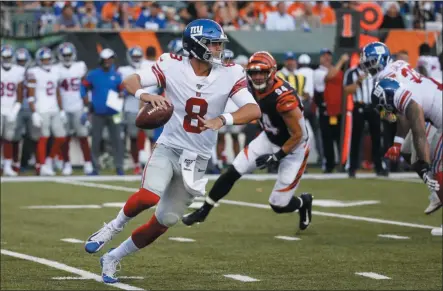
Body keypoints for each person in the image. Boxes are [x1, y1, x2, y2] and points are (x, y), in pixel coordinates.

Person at [83, 19, 261, 283]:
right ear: (196, 45)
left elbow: (253, 109)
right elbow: (130, 80)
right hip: (170, 146)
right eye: (212, 44)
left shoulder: (231, 72)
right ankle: (112, 227)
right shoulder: (171, 64)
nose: (217, 49)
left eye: (218, 44)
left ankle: (113, 257)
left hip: (197, 158)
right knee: (148, 197)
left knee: (165, 220)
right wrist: (145, 95)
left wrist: (221, 120)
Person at [182, 51, 313, 232]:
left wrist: (276, 157)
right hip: (268, 138)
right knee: (234, 170)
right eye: (253, 73)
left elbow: (300, 135)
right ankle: (204, 211)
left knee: (278, 204)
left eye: (262, 72)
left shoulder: (284, 98)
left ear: (272, 71)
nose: (257, 77)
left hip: (294, 148)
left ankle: (303, 202)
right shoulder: (249, 87)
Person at [362, 41, 442, 236]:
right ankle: (436, 191)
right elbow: (405, 109)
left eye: (373, 62)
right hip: (432, 106)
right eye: (367, 64)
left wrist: (424, 162)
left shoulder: (388, 81)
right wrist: (397, 144)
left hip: (437, 115)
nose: (371, 67)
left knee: (436, 167)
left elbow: (415, 120)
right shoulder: (397, 65)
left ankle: (436, 187)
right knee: (407, 151)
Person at [81, 48, 125, 175]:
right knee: (96, 140)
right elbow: (83, 87)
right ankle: (95, 168)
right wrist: (86, 101)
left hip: (115, 112)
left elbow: (124, 88)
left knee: (117, 139)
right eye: (105, 60)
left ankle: (119, 166)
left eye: (110, 60)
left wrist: (123, 93)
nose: (107, 62)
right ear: (101, 60)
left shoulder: (117, 75)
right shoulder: (93, 74)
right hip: (97, 112)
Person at [26, 47, 67, 176]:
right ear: (39, 60)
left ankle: (49, 160)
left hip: (54, 108)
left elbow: (57, 92)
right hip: (41, 108)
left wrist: (61, 109)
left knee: (61, 136)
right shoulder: (34, 72)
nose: (46, 61)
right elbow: (30, 94)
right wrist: (34, 111)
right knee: (43, 137)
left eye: (48, 59)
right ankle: (42, 165)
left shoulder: (56, 70)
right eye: (43, 59)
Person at [343, 62, 388, 177]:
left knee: (377, 138)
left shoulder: (378, 72)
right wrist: (358, 81)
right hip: (359, 106)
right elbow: (347, 90)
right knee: (356, 138)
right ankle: (352, 168)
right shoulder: (352, 72)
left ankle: (379, 167)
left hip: (374, 107)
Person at [56, 42, 93, 175]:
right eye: (65, 55)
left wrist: (86, 106)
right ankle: (66, 163)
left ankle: (88, 163)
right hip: (64, 108)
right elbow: (57, 91)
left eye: (69, 54)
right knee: (65, 137)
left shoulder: (80, 66)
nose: (67, 57)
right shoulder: (57, 69)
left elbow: (86, 86)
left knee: (83, 136)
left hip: (78, 106)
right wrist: (60, 110)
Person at [1, 45, 25, 176]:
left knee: (8, 138)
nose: (6, 59)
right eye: (4, 57)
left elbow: (20, 92)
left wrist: (16, 108)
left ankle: (8, 166)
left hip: (10, 108)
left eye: (8, 57)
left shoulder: (18, 71)